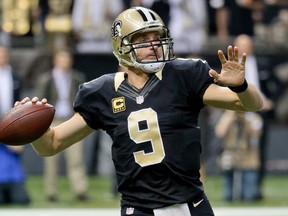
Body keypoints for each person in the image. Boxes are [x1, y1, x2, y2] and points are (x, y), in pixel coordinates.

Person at [17, 7, 263, 216]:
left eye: (157, 37)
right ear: (121, 45)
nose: (154, 45)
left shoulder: (182, 75)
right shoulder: (102, 91)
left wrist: (241, 86)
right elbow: (51, 145)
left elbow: (251, 104)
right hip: (139, 208)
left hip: (191, 204)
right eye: (144, 39)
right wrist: (33, 127)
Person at [36, 49, 89, 202]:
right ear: (55, 61)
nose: (65, 61)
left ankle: (80, 190)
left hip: (71, 119)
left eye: (67, 58)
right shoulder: (46, 79)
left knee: (76, 158)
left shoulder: (77, 77)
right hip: (53, 120)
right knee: (51, 159)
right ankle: (51, 191)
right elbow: (40, 101)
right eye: (62, 58)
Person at [0, 45, 30, 205]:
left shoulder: (15, 76)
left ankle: (14, 184)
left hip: (12, 122)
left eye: (3, 54)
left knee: (15, 153)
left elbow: (19, 100)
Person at [215, 110, 263, 202]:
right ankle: (230, 198)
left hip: (248, 154)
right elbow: (220, 132)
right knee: (228, 194)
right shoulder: (228, 116)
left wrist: (246, 118)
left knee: (249, 194)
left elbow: (256, 133)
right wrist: (230, 114)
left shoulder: (253, 117)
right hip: (231, 153)